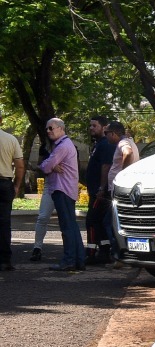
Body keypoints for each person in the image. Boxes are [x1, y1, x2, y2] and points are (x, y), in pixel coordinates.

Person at [39, 117, 84, 273]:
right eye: (47, 128)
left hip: (62, 189)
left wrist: (50, 165)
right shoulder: (64, 145)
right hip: (66, 190)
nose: (48, 131)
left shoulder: (62, 146)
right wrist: (51, 165)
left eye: (51, 128)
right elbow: (50, 165)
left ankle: (69, 260)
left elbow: (45, 167)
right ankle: (78, 260)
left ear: (61, 128)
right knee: (71, 225)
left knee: (67, 227)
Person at [82, 115, 116, 265]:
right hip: (95, 190)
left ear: (104, 127)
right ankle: (104, 252)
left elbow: (106, 167)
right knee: (99, 222)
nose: (91, 128)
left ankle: (91, 252)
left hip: (100, 192)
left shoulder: (105, 145)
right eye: (90, 126)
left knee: (91, 220)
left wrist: (101, 188)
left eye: (94, 126)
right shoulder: (98, 144)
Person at [105, 120, 139, 265]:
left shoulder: (122, 143)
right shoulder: (130, 141)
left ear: (113, 133)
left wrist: (122, 173)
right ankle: (125, 256)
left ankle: (119, 256)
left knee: (111, 223)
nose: (106, 136)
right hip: (125, 189)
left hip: (119, 191)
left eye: (107, 133)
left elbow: (128, 153)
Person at [0, 114, 22, 271]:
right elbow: (20, 165)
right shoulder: (11, 139)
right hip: (4, 183)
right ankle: (4, 259)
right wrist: (16, 185)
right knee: (4, 222)